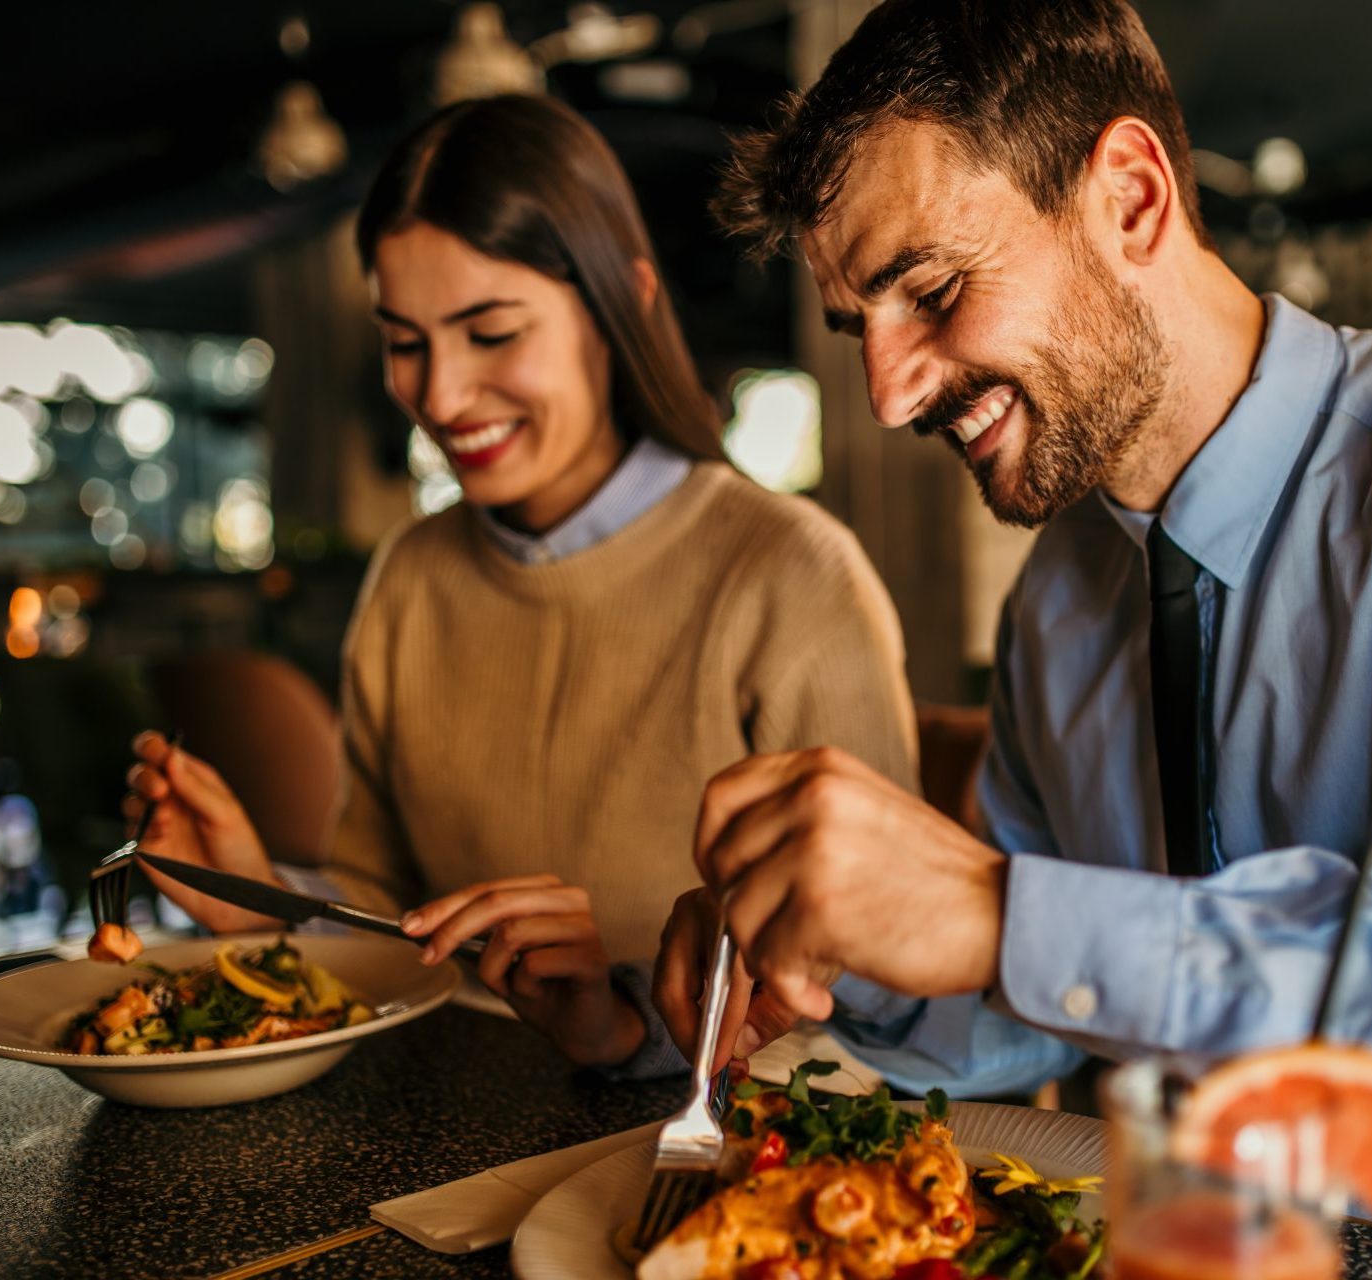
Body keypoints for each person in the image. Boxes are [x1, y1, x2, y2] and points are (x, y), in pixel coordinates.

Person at [649, 2, 1372, 1275]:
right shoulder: (1060, 596)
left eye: (931, 289)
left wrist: (1010, 916)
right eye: (861, 330)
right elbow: (1029, 998)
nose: (888, 393)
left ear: (1129, 196)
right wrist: (822, 979)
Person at [126, 92, 916, 1077]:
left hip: (726, 1157)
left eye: (491, 331)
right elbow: (388, 914)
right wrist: (265, 898)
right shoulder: (410, 576)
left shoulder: (788, 573)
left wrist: (625, 1030)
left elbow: (875, 986)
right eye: (405, 341)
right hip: (449, 1134)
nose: (441, 395)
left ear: (622, 302)